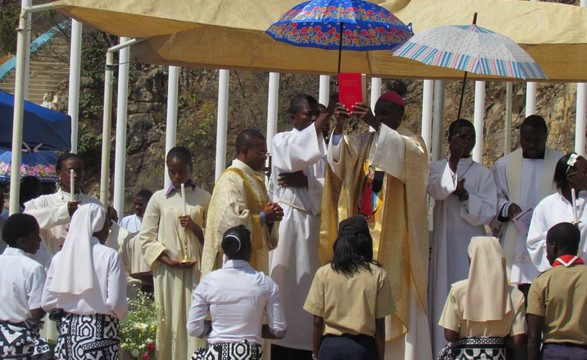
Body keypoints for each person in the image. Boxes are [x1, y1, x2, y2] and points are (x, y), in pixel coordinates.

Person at [320, 90, 432, 359]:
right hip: (365, 232)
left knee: (393, 291)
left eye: (385, 113)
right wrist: (339, 125)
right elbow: (338, 159)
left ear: (401, 115)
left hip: (397, 239)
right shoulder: (366, 142)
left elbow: (409, 160)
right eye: (377, 112)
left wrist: (373, 122)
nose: (380, 117)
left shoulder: (412, 143)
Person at [268, 93, 333, 358]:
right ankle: (279, 338)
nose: (315, 119)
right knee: (284, 282)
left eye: (317, 114)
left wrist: (306, 183)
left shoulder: (325, 147)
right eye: (310, 113)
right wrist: (324, 119)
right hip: (289, 221)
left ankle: (309, 342)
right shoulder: (281, 139)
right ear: (294, 117)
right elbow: (293, 157)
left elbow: (333, 187)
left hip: (315, 222)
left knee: (309, 284)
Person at [428, 119, 498, 355]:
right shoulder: (437, 167)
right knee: (443, 293)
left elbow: (489, 213)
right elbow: (437, 191)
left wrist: (465, 195)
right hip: (444, 241)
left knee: (471, 294)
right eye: (460, 137)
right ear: (449, 139)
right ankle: (442, 350)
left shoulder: (484, 173)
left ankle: (470, 349)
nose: (466, 142)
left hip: (471, 243)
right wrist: (454, 159)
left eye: (470, 138)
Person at [138, 146, 211, 360]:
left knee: (194, 315)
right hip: (168, 271)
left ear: (191, 168)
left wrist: (195, 227)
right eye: (172, 171)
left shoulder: (204, 197)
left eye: (182, 171)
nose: (177, 176)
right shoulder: (158, 199)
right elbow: (146, 237)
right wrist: (167, 260)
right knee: (169, 319)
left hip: (196, 270)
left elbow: (215, 237)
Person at [42, 203, 128, 359]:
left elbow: (47, 302)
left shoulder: (59, 257)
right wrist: (120, 316)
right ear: (99, 226)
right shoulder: (109, 256)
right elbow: (115, 301)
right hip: (101, 331)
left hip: (68, 332)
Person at [188, 225, 287, 360]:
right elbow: (279, 330)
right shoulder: (265, 283)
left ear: (225, 253)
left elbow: (193, 328)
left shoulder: (209, 281)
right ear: (250, 251)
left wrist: (213, 327)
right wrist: (255, 328)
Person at [304, 215, 394, 360]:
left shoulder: (324, 273)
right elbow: (380, 324)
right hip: (363, 349)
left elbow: (317, 321)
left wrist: (316, 353)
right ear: (366, 242)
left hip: (330, 348)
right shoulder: (378, 275)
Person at [492, 114, 561, 295]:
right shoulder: (504, 165)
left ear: (546, 136)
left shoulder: (559, 164)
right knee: (513, 290)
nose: (531, 145)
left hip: (547, 235)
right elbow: (495, 197)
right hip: (515, 236)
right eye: (526, 140)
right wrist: (508, 208)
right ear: (520, 138)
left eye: (536, 140)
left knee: (543, 289)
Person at [201, 129, 283, 277]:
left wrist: (271, 218)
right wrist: (263, 216)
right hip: (233, 264)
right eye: (260, 153)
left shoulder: (257, 181)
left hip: (256, 261)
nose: (264, 158)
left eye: (265, 154)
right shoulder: (230, 179)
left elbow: (264, 221)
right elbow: (230, 223)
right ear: (244, 151)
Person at [437, 236, 526, 359]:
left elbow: (450, 335)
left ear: (472, 261)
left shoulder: (457, 290)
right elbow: (518, 340)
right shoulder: (516, 295)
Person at [24, 152, 102, 263]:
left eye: (79, 171)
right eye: (70, 171)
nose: (75, 175)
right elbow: (28, 220)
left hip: (84, 263)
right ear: (59, 173)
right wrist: (63, 212)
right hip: (52, 263)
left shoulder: (93, 204)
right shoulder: (44, 202)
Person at [527, 222, 587, 360]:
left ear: (553, 246)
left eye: (546, 246)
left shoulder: (542, 281)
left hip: (552, 353)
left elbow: (533, 337)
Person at [0, 214, 52, 359]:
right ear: (22, 240)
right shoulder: (33, 268)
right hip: (22, 344)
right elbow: (37, 313)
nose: (40, 240)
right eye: (36, 235)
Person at [527, 153, 587, 272]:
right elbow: (534, 244)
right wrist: (562, 261)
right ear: (571, 177)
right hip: (558, 275)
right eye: (585, 172)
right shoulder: (546, 206)